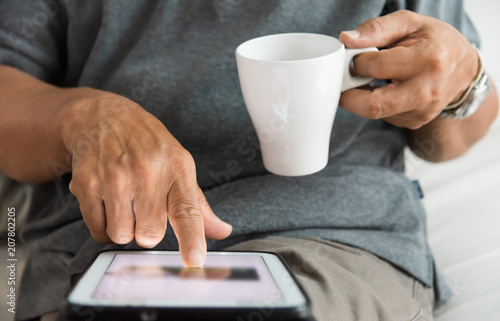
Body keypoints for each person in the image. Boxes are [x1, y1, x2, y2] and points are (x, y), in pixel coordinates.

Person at [0, 1, 497, 320]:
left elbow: (459, 134)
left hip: (330, 239)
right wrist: (83, 117)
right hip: (102, 244)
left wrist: (463, 83)